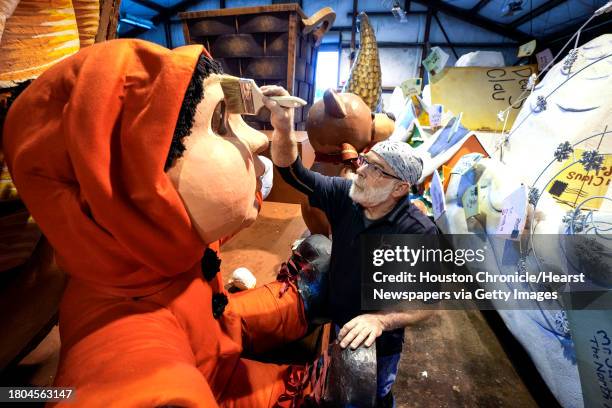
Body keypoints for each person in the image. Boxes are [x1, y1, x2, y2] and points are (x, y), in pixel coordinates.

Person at [263, 85, 438, 407]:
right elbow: (291, 172)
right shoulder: (346, 197)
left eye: (374, 169)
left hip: (377, 338)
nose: (360, 170)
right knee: (339, 381)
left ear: (399, 188)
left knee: (372, 391)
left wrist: (380, 321)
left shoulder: (417, 232)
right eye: (365, 162)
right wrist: (283, 123)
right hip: (339, 318)